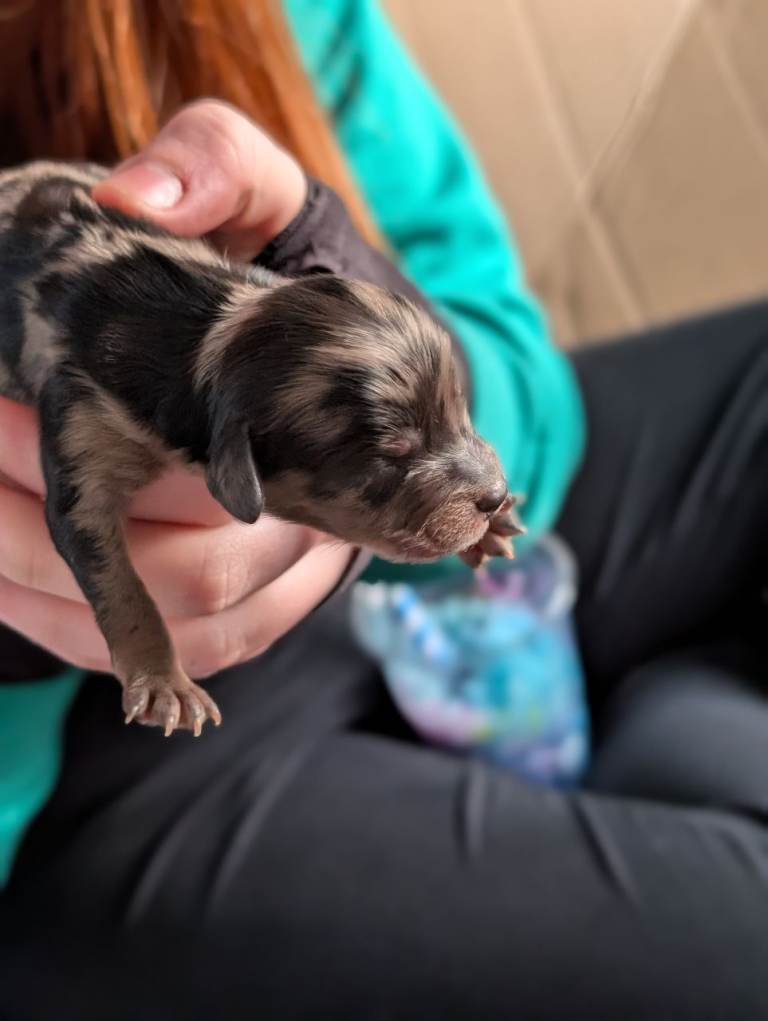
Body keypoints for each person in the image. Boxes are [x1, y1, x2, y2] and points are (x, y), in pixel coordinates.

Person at [0, 1, 766, 1017]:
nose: (482, 482)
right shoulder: (99, 394)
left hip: (366, 548)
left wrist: (330, 265)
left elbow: (518, 384)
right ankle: (683, 707)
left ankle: (683, 707)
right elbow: (94, 520)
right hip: (108, 766)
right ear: (233, 464)